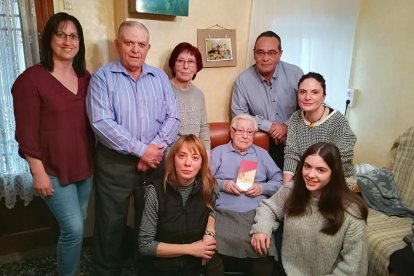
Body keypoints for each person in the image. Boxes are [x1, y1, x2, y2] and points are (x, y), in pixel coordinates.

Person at [86, 21, 180, 275]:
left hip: (154, 162)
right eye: (129, 43)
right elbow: (102, 123)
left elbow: (174, 117)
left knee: (149, 220)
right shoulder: (103, 78)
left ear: (148, 48)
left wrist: (153, 150)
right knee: (110, 223)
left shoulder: (159, 77)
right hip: (114, 164)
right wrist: (141, 150)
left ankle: (145, 268)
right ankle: (106, 270)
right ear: (118, 44)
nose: (135, 49)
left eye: (141, 44)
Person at [12, 12, 93, 276]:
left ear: (79, 42)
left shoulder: (85, 77)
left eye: (73, 36)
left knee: (76, 226)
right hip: (52, 170)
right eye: (61, 34)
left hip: (84, 167)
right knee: (73, 229)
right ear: (49, 39)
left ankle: (67, 268)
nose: (67, 41)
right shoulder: (30, 80)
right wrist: (38, 172)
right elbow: (26, 132)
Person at [251, 142, 368, 275]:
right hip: (285, 269)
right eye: (307, 166)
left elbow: (353, 268)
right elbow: (269, 208)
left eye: (320, 170)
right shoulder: (291, 190)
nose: (310, 175)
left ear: (333, 173)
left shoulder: (352, 212)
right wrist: (261, 229)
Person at [209, 114, 282, 275]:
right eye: (240, 130)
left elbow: (279, 180)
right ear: (232, 131)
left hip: (256, 214)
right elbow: (204, 180)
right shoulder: (218, 152)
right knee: (211, 252)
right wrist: (223, 184)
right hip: (224, 213)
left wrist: (262, 188)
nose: (245, 135)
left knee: (263, 252)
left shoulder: (261, 154)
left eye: (250, 132)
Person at [138, 135, 217, 276]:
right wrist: (191, 249)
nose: (188, 163)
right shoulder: (155, 190)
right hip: (162, 266)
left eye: (195, 158)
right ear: (173, 159)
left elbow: (213, 210)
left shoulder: (209, 186)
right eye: (182, 156)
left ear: (201, 164)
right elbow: (145, 245)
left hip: (196, 264)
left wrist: (209, 233)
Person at [231, 31, 303, 170]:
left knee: (295, 185)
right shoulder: (243, 81)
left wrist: (286, 127)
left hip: (294, 138)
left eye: (271, 53)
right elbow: (239, 115)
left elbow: (306, 108)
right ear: (254, 54)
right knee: (254, 183)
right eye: (260, 52)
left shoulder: (296, 74)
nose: (265, 58)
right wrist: (269, 126)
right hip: (258, 142)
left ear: (280, 54)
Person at [283, 72, 358, 190]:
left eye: (315, 92)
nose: (307, 97)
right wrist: (286, 188)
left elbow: (342, 158)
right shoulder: (295, 118)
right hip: (307, 177)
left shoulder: (338, 121)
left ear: (324, 96)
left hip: (337, 179)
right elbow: (291, 154)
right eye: (303, 92)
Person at [168, 42, 210, 150]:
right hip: (172, 152)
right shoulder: (163, 90)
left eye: (191, 62)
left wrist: (206, 152)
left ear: (196, 68)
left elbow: (204, 127)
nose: (185, 66)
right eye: (180, 61)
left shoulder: (199, 94)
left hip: (195, 152)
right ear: (173, 65)